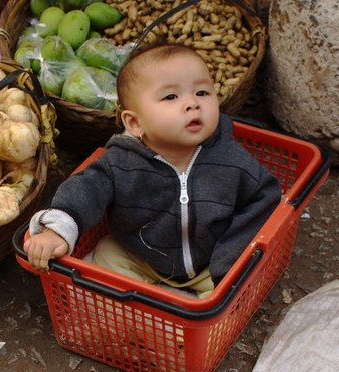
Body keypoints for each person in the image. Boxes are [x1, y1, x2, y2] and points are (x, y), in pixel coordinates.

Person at [23, 42, 281, 296]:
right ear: (134, 123)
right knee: (107, 253)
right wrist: (57, 230)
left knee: (233, 286)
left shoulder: (230, 158)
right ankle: (149, 304)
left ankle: (185, 308)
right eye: (171, 96)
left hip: (209, 262)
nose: (192, 103)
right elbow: (85, 190)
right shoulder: (120, 163)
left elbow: (264, 198)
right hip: (141, 256)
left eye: (202, 92)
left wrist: (227, 259)